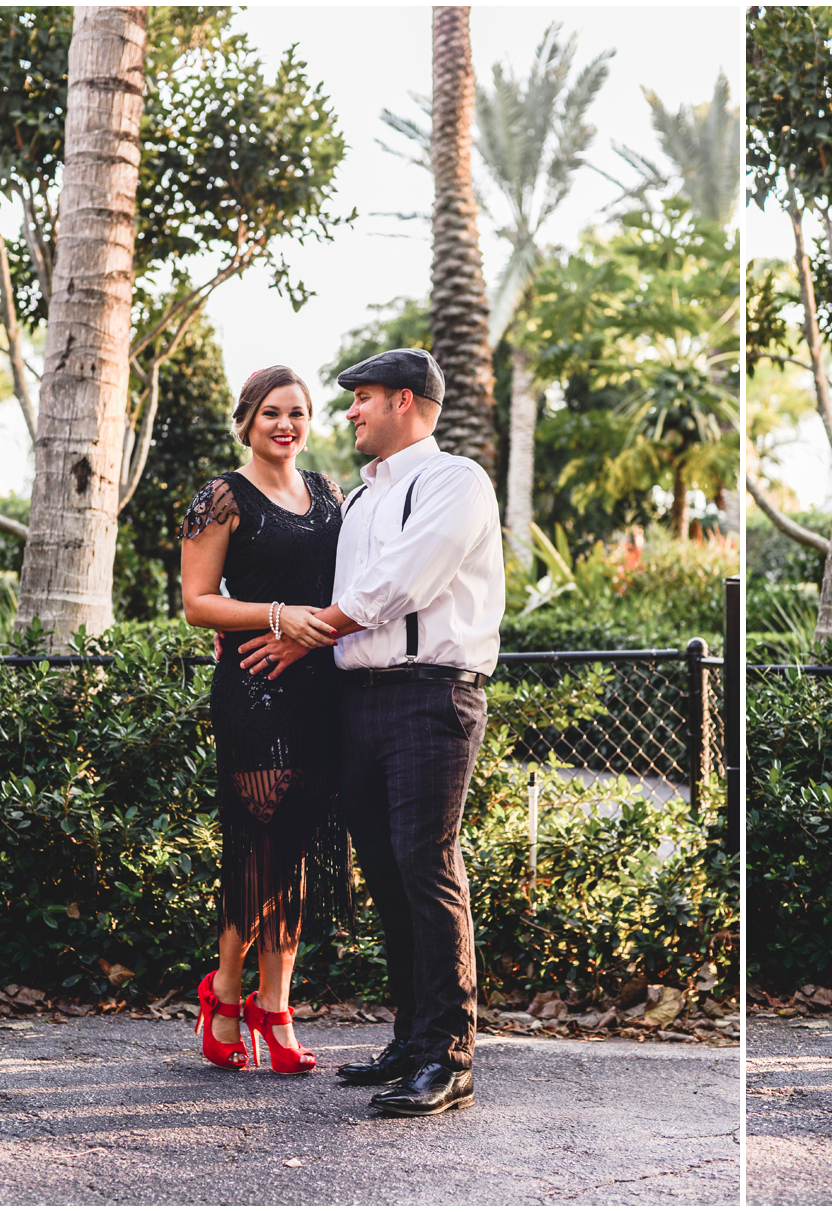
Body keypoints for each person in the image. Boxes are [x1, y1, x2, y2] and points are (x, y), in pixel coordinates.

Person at [237, 348, 503, 1117]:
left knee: (426, 862)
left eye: (363, 398)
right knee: (385, 872)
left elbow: (401, 582)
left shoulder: (455, 480)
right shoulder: (358, 500)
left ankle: (450, 1059)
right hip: (357, 697)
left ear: (407, 401)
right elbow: (332, 587)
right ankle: (412, 1042)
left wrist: (304, 633)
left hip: (431, 694)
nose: (349, 411)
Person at [179, 365, 351, 1075]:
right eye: (273, 413)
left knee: (299, 849)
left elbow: (349, 588)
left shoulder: (329, 494)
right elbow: (197, 601)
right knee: (259, 851)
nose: (287, 424)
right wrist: (276, 616)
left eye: (299, 413)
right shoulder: (222, 496)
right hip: (254, 690)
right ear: (247, 420)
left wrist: (314, 631)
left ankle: (274, 1006)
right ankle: (223, 995)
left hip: (322, 690)